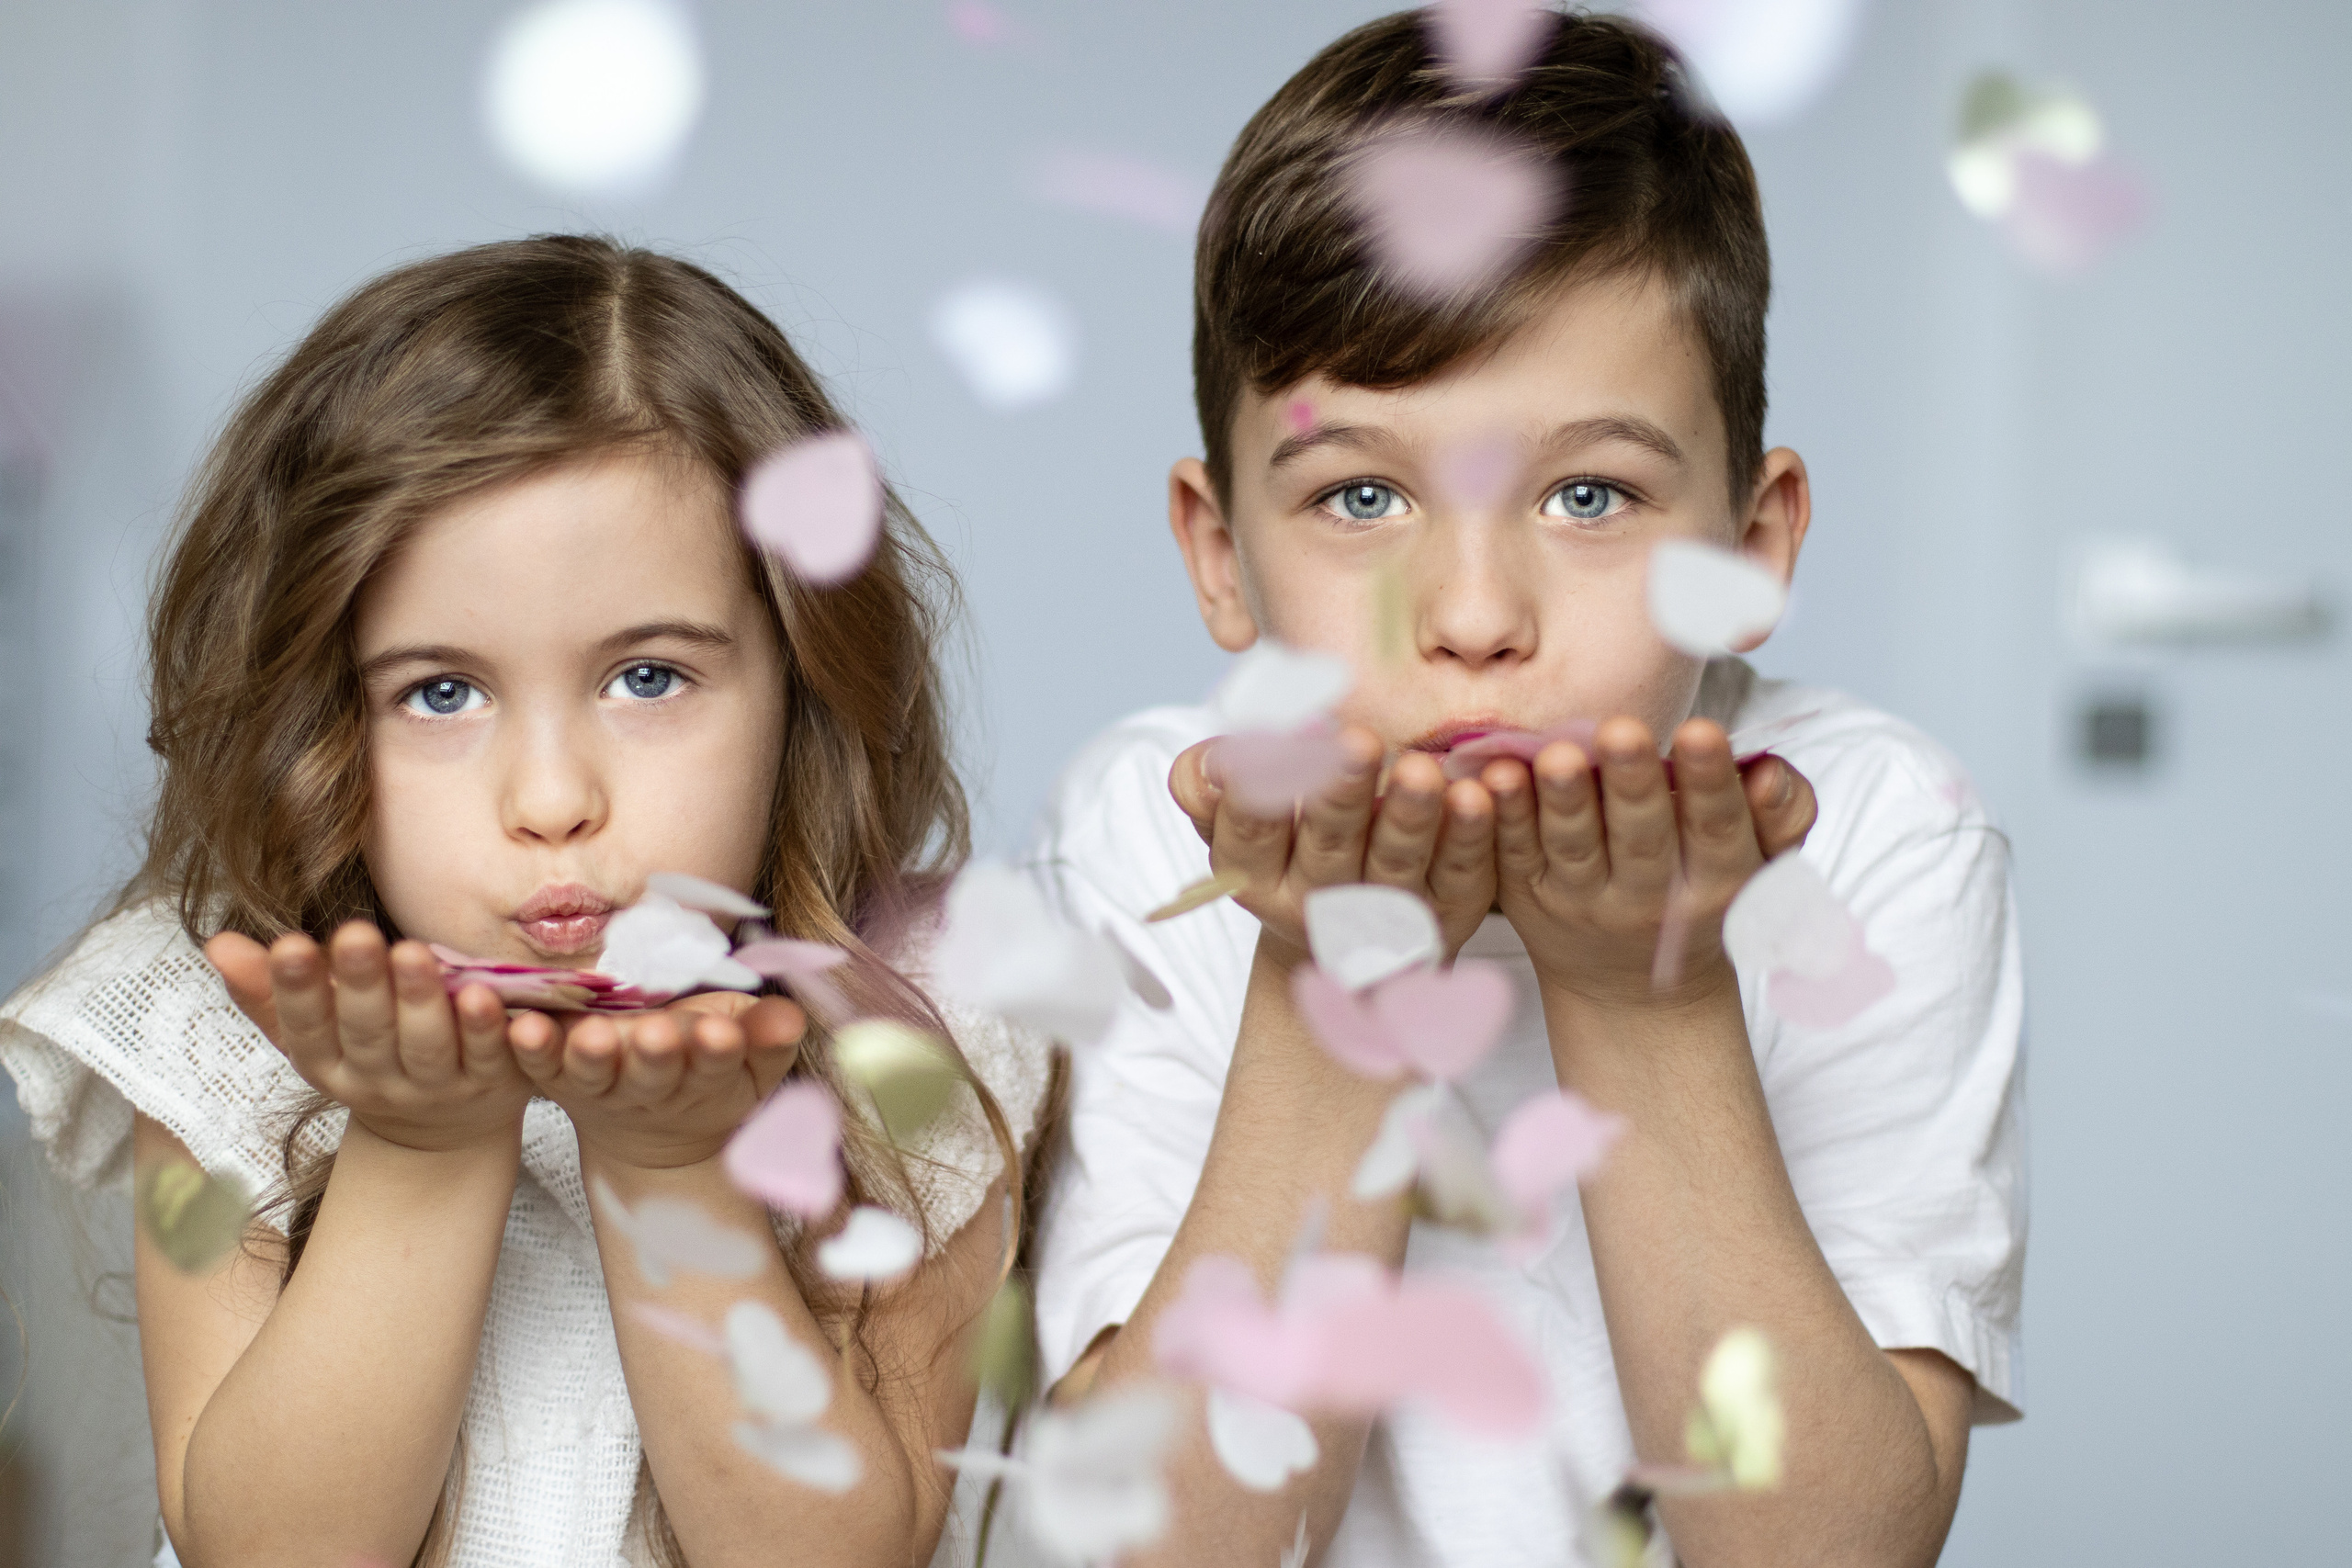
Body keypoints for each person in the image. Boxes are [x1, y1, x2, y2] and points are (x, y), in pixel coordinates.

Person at [1025, 11, 2024, 1567]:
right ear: (1220, 550)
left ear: (1752, 550)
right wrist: (1323, 978)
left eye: (1588, 495)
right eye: (1362, 494)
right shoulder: (1159, 831)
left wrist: (1647, 994)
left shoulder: (1877, 832)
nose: (1475, 615)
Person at [0, 235, 1053, 1568]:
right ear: (324, 724)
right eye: (441, 693)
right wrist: (423, 1144)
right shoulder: (238, 1021)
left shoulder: (926, 1012)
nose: (552, 799)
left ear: (800, 686)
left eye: (649, 679)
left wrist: (673, 1169)